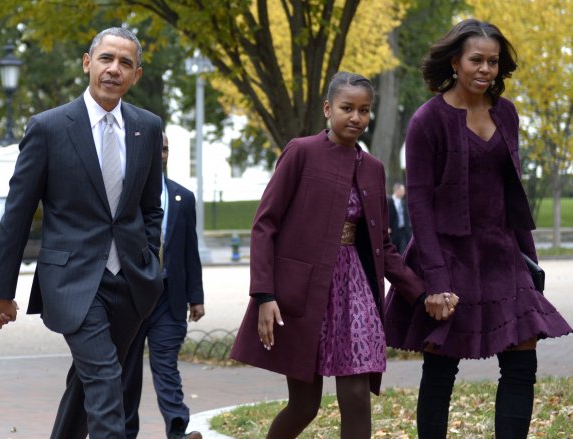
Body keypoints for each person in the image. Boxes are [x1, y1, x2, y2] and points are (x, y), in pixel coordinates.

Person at [383, 19, 572, 438]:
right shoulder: (426, 121)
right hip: (447, 257)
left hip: (502, 253)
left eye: (493, 61)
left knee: (522, 362)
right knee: (441, 367)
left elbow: (513, 191)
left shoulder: (506, 113)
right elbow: (419, 205)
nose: (486, 69)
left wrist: (531, 269)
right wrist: (434, 283)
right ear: (455, 62)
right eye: (476, 60)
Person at [229, 72, 428, 439]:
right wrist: (265, 295)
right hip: (304, 293)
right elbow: (264, 226)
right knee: (305, 405)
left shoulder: (373, 168)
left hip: (355, 291)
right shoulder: (300, 152)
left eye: (364, 110)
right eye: (347, 108)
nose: (356, 117)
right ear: (327, 108)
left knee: (356, 397)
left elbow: (382, 245)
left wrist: (421, 294)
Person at [0, 27, 164, 438]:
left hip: (132, 283)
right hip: (72, 282)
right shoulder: (48, 128)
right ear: (88, 63)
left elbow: (150, 207)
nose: (113, 69)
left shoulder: (148, 127)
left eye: (125, 63)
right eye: (106, 59)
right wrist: (1, 290)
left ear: (136, 75)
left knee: (89, 385)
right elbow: (18, 213)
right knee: (105, 384)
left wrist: (148, 262)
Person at [122, 133, 205, 439]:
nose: (161, 154)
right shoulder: (124, 195)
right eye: (155, 149)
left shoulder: (183, 197)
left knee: (166, 367)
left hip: (169, 300)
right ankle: (125, 432)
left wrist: (196, 297)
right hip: (130, 300)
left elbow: (189, 252)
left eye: (165, 149)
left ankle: (178, 431)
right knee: (127, 375)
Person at [387, 182, 411, 255]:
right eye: (402, 190)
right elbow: (386, 215)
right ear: (397, 191)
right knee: (394, 249)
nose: (404, 192)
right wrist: (387, 227)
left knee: (403, 250)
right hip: (393, 230)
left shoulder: (403, 202)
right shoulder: (388, 201)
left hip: (403, 230)